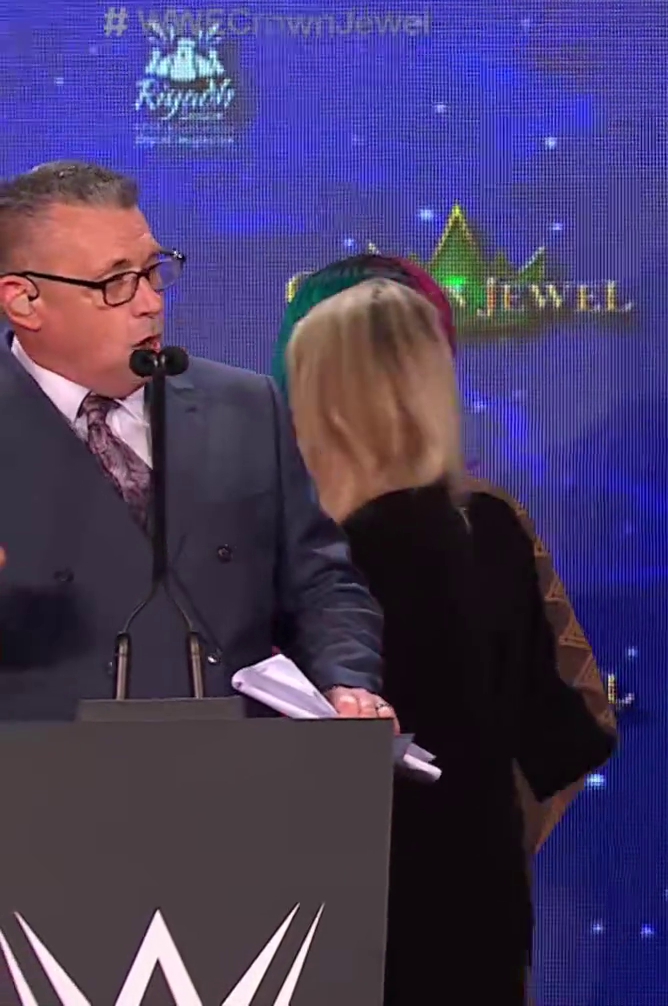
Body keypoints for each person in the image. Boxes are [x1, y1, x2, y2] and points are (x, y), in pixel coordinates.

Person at [284, 279, 614, 1005]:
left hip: (349, 907)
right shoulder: (491, 529)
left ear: (323, 400)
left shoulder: (323, 558)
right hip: (482, 893)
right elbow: (566, 735)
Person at [0, 160, 388, 721]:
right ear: (24, 301)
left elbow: (321, 584)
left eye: (152, 271)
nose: (150, 302)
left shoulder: (244, 408)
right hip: (42, 769)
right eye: (115, 282)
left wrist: (345, 680)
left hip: (233, 764)